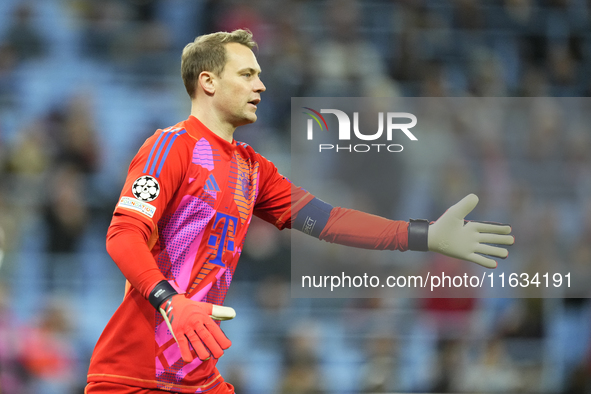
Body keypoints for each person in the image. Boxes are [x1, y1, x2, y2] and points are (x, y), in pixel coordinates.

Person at [85, 29, 514, 394]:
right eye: (247, 74)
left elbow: (331, 221)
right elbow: (123, 234)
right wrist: (170, 301)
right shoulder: (170, 146)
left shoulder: (252, 169)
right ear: (208, 82)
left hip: (195, 374)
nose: (261, 86)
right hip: (133, 374)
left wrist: (425, 235)